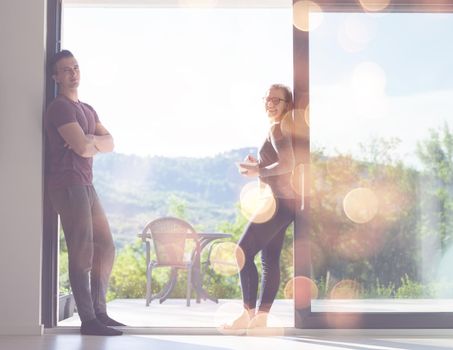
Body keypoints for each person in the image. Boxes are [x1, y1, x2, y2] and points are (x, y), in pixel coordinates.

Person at [45, 50, 124, 336]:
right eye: (66, 70)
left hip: (86, 183)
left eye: (75, 68)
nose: (73, 73)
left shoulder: (88, 109)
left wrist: (91, 139)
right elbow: (81, 148)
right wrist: (92, 142)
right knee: (82, 249)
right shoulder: (60, 108)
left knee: (107, 246)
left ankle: (100, 313)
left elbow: (111, 142)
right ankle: (88, 321)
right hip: (67, 184)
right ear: (55, 77)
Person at [225, 84, 296, 333]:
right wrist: (260, 168)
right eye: (267, 98)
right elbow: (279, 167)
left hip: (278, 203)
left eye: (277, 99)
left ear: (288, 104)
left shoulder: (279, 128)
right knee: (269, 260)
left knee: (241, 252)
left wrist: (258, 170)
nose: (270, 102)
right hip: (284, 203)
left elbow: (288, 164)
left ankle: (247, 315)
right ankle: (260, 319)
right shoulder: (281, 128)